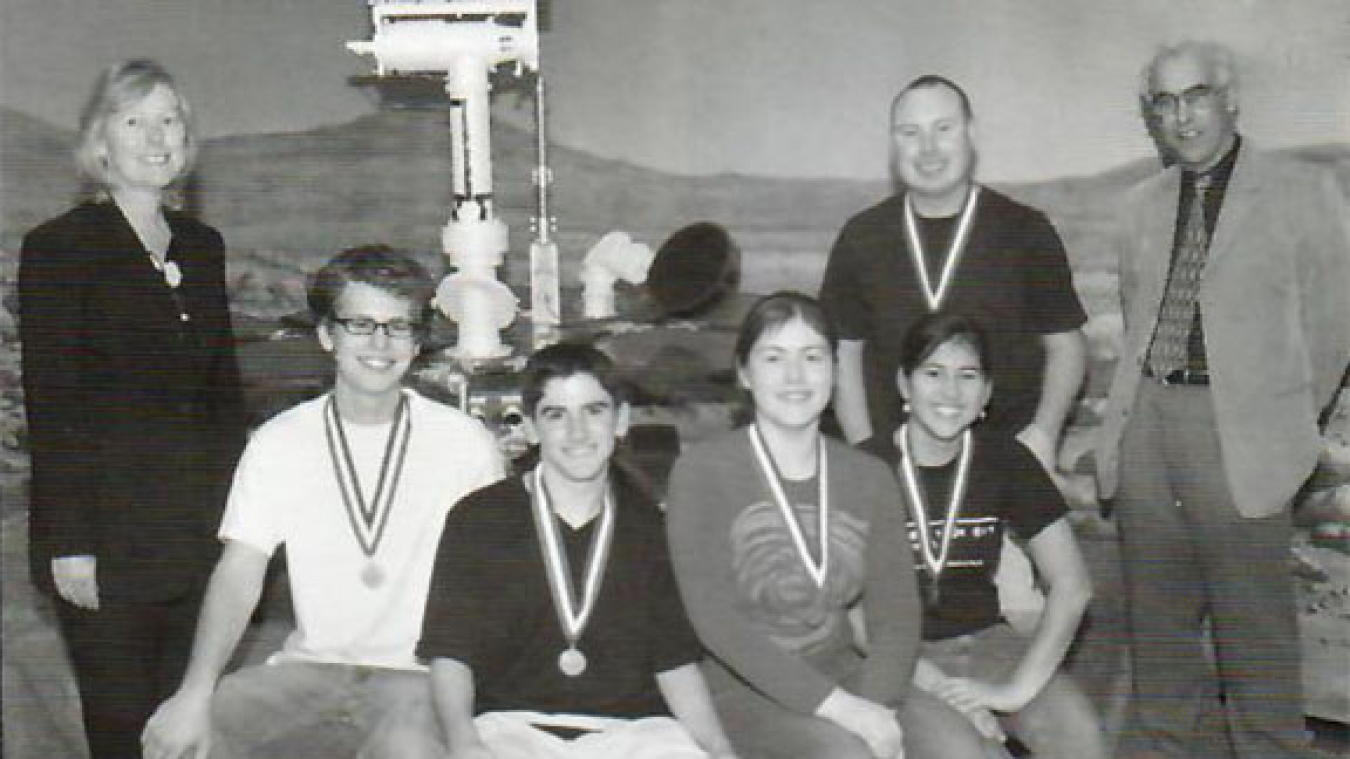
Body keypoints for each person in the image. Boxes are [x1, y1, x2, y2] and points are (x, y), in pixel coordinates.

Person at [141, 245, 504, 759]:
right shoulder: (280, 440)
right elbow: (239, 573)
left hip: (420, 677)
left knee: (408, 752)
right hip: (308, 670)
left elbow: (492, 585)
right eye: (360, 324)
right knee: (184, 736)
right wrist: (193, 694)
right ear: (326, 335)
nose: (380, 342)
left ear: (418, 340)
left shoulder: (465, 443)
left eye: (398, 326)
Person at [1095, 41, 1350, 759]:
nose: (1183, 115)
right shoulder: (1139, 207)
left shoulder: (1302, 191)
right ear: (1154, 116)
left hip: (1242, 441)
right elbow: (1135, 312)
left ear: (1230, 97)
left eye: (1197, 95)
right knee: (1161, 647)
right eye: (1166, 102)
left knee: (1258, 654)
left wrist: (1285, 428)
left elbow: (1333, 329)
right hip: (1148, 431)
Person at [18, 59, 249, 759]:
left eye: (170, 119)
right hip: (106, 547)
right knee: (123, 735)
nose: (156, 137)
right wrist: (71, 542)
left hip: (199, 540)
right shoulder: (60, 247)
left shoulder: (202, 248)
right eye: (134, 120)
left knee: (189, 730)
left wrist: (242, 526)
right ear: (100, 142)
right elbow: (54, 401)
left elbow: (222, 398)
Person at [665, 291, 989, 759]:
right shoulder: (702, 472)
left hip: (847, 674)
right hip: (745, 685)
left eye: (812, 357)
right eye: (774, 358)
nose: (795, 377)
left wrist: (876, 707)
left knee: (962, 751)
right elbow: (716, 623)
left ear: (834, 371)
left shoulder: (868, 475)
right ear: (744, 373)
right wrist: (848, 715)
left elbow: (896, 615)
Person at [418, 342, 739, 759]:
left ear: (621, 420)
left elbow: (674, 664)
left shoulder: (652, 529)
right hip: (513, 728)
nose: (578, 432)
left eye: (594, 410)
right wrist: (464, 743)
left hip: (634, 733)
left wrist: (719, 749)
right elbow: (450, 655)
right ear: (531, 428)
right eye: (556, 414)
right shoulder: (478, 519)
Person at [862, 312, 1104, 758]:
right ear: (904, 384)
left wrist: (1012, 693)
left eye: (967, 376)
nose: (950, 392)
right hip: (898, 659)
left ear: (987, 392)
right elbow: (850, 617)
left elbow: (1073, 586)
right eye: (933, 373)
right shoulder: (864, 467)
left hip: (986, 644)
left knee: (1081, 740)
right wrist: (946, 693)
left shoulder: (1005, 460)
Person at [819, 75, 1087, 472]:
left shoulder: (1025, 231)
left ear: (971, 134)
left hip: (1001, 465)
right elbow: (844, 352)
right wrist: (866, 452)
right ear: (894, 143)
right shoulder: (862, 236)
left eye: (943, 129)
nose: (927, 148)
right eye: (910, 133)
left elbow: (1066, 345)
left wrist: (1044, 435)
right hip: (893, 467)